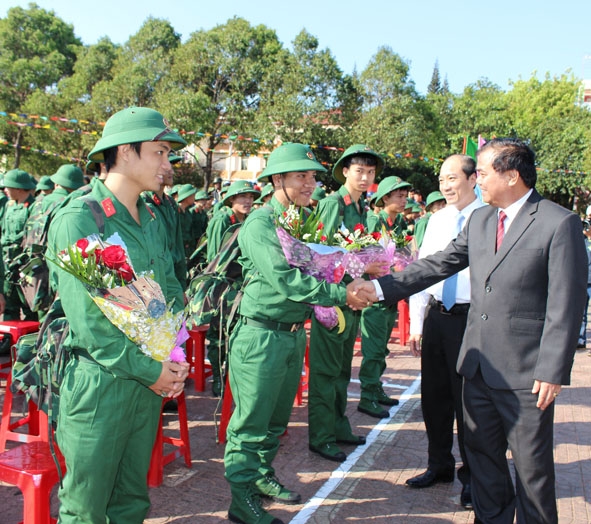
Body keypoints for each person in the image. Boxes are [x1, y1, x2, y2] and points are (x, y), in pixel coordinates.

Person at [366, 138, 587, 524]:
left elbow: (566, 304)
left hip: (527, 375)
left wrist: (553, 369)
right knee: (484, 463)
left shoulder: (558, 222)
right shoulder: (481, 220)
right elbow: (440, 263)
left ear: (512, 175)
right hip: (478, 367)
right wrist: (383, 288)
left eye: (482, 172)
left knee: (532, 474)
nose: (477, 180)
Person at [47, 106, 190, 523]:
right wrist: (152, 371)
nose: (168, 165)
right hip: (101, 384)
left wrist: (173, 358)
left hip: (145, 383)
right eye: (160, 152)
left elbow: (170, 293)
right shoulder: (79, 219)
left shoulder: (151, 218)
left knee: (131, 501)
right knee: (86, 508)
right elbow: (92, 325)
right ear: (125, 152)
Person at [223, 143, 372, 524]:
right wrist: (342, 293)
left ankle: (260, 476)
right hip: (261, 337)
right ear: (278, 179)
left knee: (275, 421)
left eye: (312, 176)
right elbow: (287, 280)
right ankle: (242, 500)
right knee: (251, 423)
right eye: (301, 176)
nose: (310, 184)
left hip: (290, 333)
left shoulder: (295, 221)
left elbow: (313, 269)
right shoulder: (260, 223)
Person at [406, 154, 485, 510]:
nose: (446, 185)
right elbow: (424, 270)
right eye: (441, 180)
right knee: (434, 399)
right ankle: (439, 466)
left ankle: (474, 478)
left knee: (469, 404)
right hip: (438, 318)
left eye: (452, 178)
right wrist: (417, 324)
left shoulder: (489, 218)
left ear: (474, 179)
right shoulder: (436, 220)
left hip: (472, 320)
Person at [308, 144, 386, 462]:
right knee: (326, 373)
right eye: (359, 171)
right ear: (345, 172)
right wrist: (361, 269)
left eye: (370, 172)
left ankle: (338, 427)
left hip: (350, 300)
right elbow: (320, 256)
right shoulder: (332, 205)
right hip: (331, 302)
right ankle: (321, 436)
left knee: (342, 371)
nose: (365, 177)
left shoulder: (360, 209)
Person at [358, 175, 411, 418]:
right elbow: (362, 254)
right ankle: (367, 397)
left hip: (389, 293)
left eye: (405, 195)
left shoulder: (397, 222)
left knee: (382, 349)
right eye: (398, 195)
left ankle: (376, 388)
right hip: (373, 295)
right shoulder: (373, 221)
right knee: (373, 351)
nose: (404, 200)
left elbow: (404, 252)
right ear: (385, 198)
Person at [205, 180, 260, 397]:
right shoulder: (222, 220)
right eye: (242, 197)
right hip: (221, 285)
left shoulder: (247, 220)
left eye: (250, 197)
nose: (247, 201)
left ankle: (231, 377)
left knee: (236, 332)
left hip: (240, 284)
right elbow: (214, 258)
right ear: (231, 200)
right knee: (218, 334)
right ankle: (218, 379)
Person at [1, 168, 37, 320]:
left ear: (18, 188)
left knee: (30, 307)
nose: (5, 190)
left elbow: (34, 232)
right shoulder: (8, 206)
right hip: (7, 264)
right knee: (9, 307)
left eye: (8, 187)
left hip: (25, 265)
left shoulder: (34, 206)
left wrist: (14, 240)